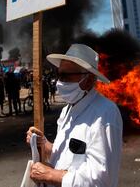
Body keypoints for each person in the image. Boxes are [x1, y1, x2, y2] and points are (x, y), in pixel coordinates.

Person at [26, 44, 123, 187]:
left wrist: (50, 175)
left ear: (89, 80)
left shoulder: (104, 114)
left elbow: (101, 178)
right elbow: (67, 156)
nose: (60, 82)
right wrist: (43, 144)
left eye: (66, 76)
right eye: (59, 75)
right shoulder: (67, 111)